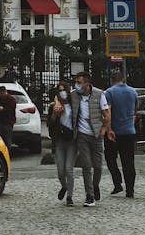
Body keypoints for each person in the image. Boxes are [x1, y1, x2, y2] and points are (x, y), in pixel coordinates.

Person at [70, 71, 111, 208]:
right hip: (81, 135)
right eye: (76, 82)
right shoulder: (74, 95)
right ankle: (89, 195)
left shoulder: (99, 95)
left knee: (98, 166)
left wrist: (104, 130)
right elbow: (60, 96)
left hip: (97, 134)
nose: (77, 85)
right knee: (86, 165)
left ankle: (95, 186)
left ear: (87, 84)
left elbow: (107, 115)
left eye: (79, 83)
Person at [103, 69, 137, 198]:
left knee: (110, 158)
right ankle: (130, 189)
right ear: (122, 79)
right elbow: (135, 109)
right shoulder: (133, 92)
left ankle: (117, 182)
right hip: (129, 131)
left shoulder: (109, 93)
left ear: (112, 80)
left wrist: (109, 129)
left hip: (114, 132)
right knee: (128, 161)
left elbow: (108, 112)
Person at [47, 81, 75, 206]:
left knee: (69, 169)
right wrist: (55, 114)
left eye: (64, 90)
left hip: (72, 141)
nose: (62, 92)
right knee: (60, 171)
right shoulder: (54, 106)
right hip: (59, 140)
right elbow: (49, 125)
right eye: (60, 90)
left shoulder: (74, 105)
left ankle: (69, 196)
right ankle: (64, 186)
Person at [0, 85, 16, 154]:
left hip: (8, 121)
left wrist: (3, 109)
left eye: (0, 93)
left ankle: (7, 153)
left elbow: (12, 109)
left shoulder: (11, 99)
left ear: (4, 92)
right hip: (0, 121)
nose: (0, 95)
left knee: (7, 139)